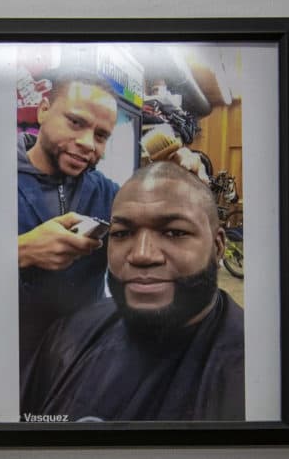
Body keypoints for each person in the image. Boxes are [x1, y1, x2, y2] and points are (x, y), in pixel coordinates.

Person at [21, 161, 245, 421]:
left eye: (174, 232)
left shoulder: (263, 373)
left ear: (217, 246)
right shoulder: (67, 339)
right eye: (122, 233)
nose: (141, 254)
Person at [17, 69, 119, 376]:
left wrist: (179, 177)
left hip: (79, 363)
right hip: (6, 360)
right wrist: (19, 252)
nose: (88, 143)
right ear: (44, 111)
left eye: (101, 136)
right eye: (76, 123)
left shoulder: (109, 193)